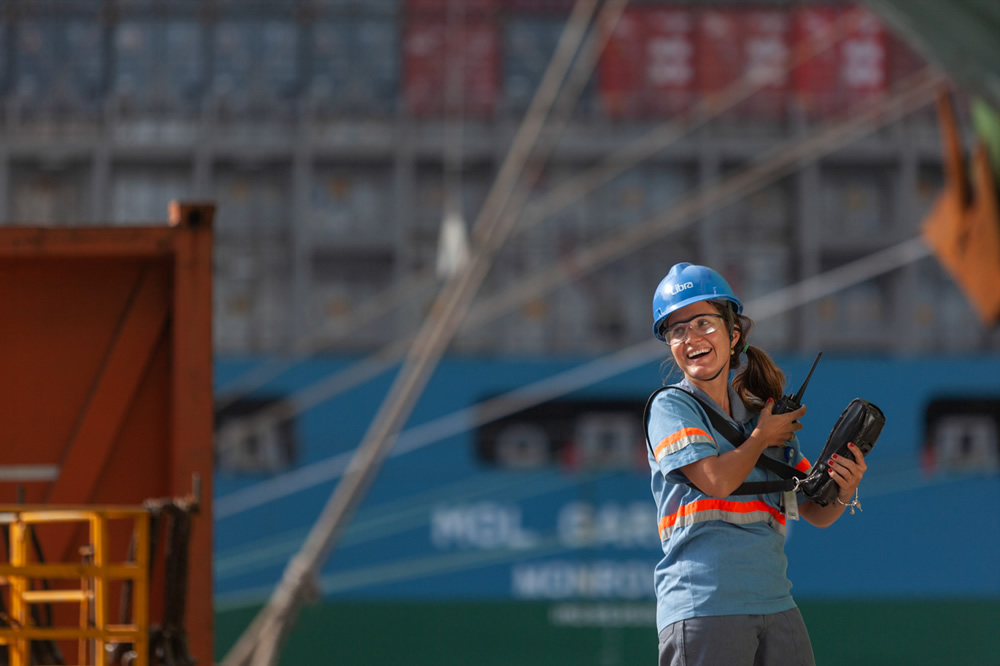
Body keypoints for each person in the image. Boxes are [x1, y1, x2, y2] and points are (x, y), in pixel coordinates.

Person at [644, 262, 867, 666]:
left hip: (776, 602)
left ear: (733, 335)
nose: (691, 337)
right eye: (677, 330)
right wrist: (761, 436)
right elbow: (715, 481)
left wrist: (844, 489)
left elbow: (816, 512)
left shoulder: (761, 416)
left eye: (703, 324)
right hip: (703, 605)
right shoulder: (671, 407)